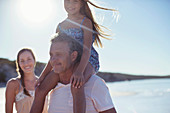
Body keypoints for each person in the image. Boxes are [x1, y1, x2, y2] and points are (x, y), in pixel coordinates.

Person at [31, 0, 118, 113]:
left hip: (87, 60)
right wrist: (42, 76)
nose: (70, 5)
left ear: (81, 3)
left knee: (76, 85)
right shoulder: (60, 26)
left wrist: (79, 72)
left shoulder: (85, 22)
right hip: (68, 62)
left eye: (75, 1)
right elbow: (55, 54)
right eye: (67, 1)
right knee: (40, 89)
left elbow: (87, 50)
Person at [48, 32, 117, 113]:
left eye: (59, 54)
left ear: (73, 56)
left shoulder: (94, 83)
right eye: (51, 55)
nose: (53, 60)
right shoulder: (52, 87)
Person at [5, 48, 48, 113]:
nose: (26, 63)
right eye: (22, 61)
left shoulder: (43, 82)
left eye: (29, 59)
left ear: (34, 60)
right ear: (18, 64)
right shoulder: (13, 84)